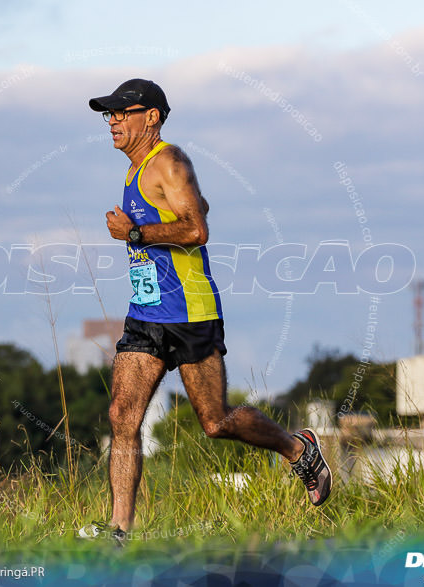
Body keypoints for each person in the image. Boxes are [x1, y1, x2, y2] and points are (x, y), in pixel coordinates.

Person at [79, 79, 332, 543]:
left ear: (151, 117)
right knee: (122, 415)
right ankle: (119, 531)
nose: (112, 120)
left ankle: (298, 448)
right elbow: (197, 207)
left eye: (121, 112)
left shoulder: (170, 161)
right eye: (108, 114)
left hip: (190, 311)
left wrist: (134, 235)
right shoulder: (137, 169)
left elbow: (196, 229)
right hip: (146, 313)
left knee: (215, 422)